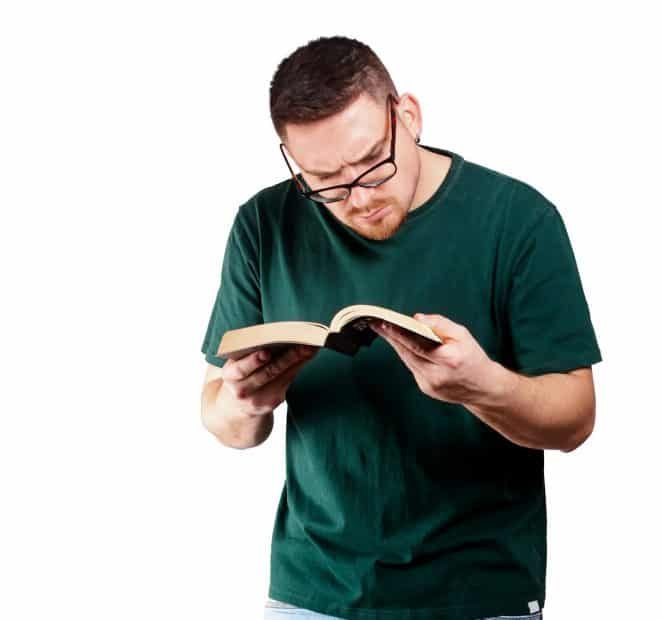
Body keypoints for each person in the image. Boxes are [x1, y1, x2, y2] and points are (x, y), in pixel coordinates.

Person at [200, 35, 602, 620]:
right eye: (325, 182)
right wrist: (245, 402)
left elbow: (576, 420)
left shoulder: (519, 220)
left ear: (407, 115)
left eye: (371, 163)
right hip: (312, 592)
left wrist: (480, 387)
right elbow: (223, 421)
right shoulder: (263, 224)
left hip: (478, 593)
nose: (359, 198)